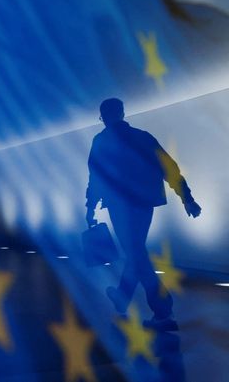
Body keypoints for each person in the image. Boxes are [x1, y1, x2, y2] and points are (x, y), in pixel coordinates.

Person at [85, 98, 201, 329]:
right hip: (144, 203)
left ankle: (163, 312)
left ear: (103, 116)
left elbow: (96, 178)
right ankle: (122, 296)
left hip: (119, 206)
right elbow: (169, 167)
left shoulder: (100, 142)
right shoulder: (143, 137)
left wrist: (90, 208)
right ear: (123, 113)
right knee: (135, 251)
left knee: (136, 253)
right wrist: (187, 198)